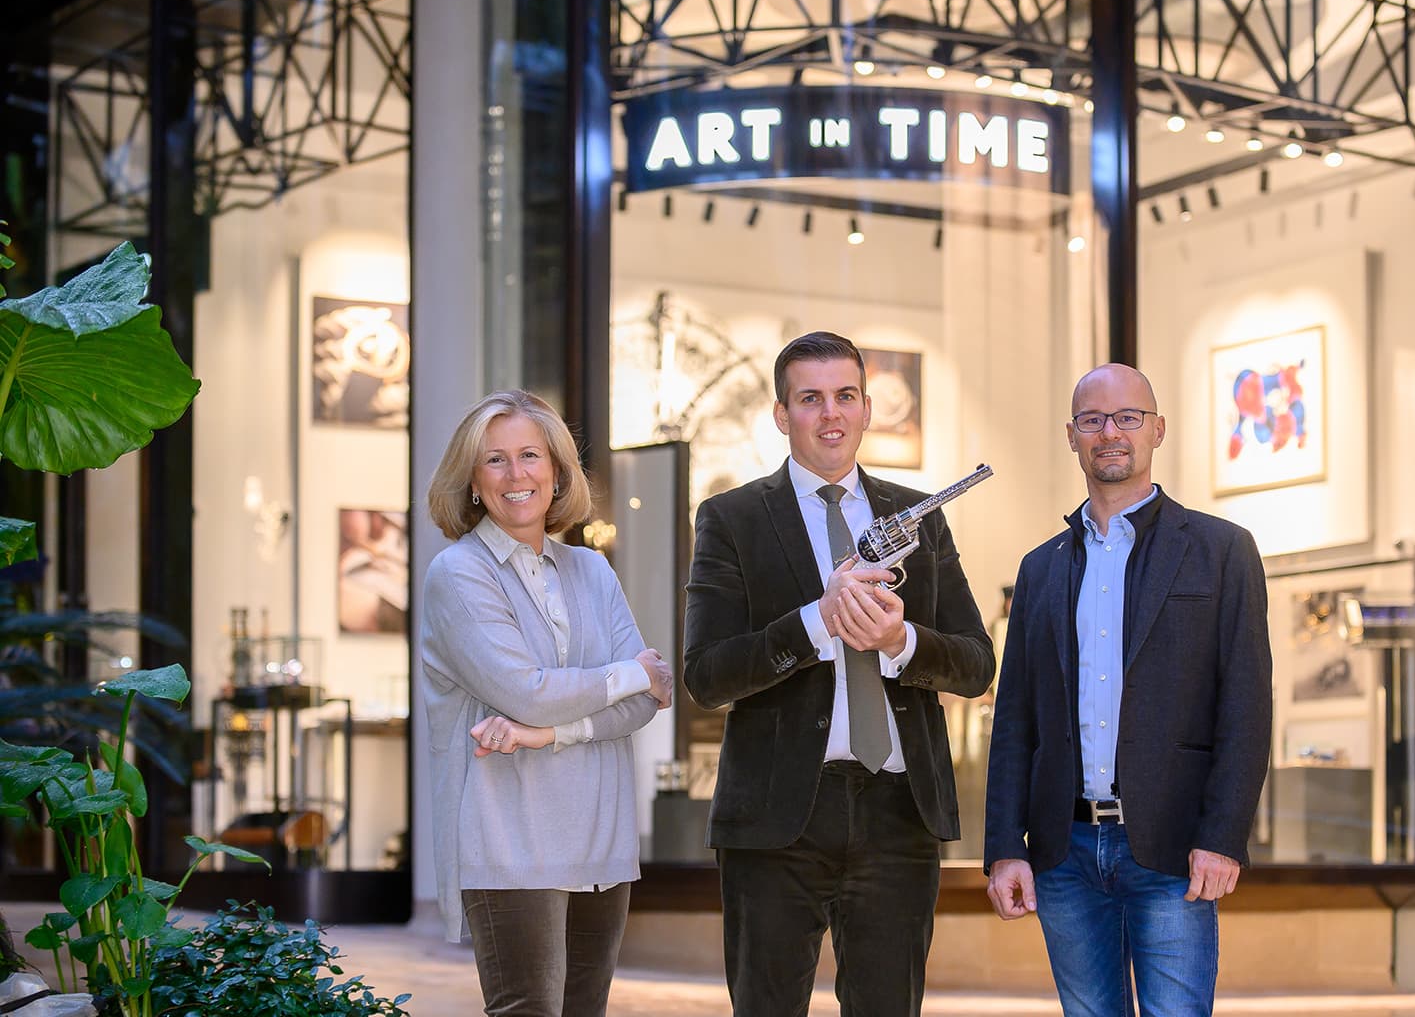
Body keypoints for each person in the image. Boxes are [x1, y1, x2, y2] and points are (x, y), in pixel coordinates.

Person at [684, 331, 994, 1017]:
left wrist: (900, 640)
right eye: (810, 398)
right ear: (780, 413)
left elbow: (976, 664)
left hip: (897, 815)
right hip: (776, 821)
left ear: (867, 409)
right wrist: (816, 622)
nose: (831, 414)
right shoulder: (731, 520)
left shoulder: (918, 517)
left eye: (846, 396)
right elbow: (706, 676)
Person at [983, 363, 1272, 1017]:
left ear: (1157, 429)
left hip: (1173, 851)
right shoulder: (1040, 568)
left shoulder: (1222, 551)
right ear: (1072, 435)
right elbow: (1014, 723)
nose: (1109, 432)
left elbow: (1247, 709)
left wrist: (1225, 835)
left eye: (1127, 417)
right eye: (1093, 419)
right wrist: (1004, 848)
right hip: (1064, 854)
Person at [419, 389, 674, 1017]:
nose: (516, 475)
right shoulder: (458, 574)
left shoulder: (592, 571)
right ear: (472, 481)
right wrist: (629, 674)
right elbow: (524, 691)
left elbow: (647, 706)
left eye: (530, 455)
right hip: (508, 838)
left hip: (601, 841)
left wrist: (550, 733)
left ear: (558, 470)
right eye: (495, 460)